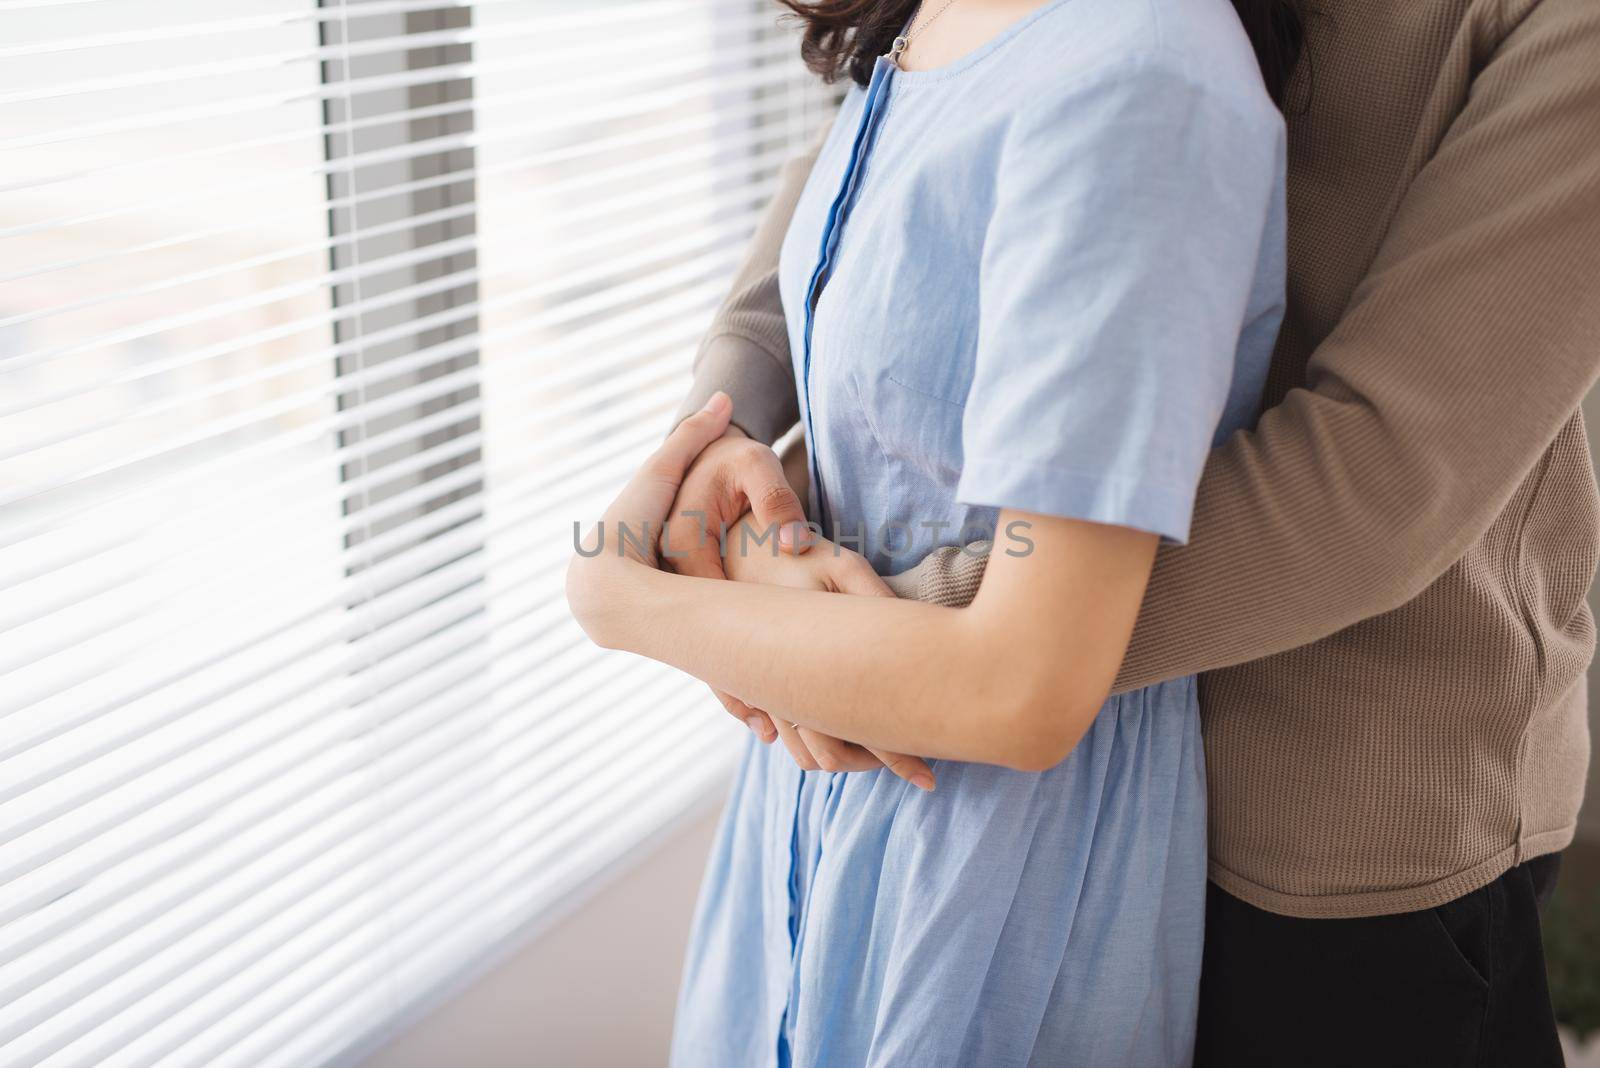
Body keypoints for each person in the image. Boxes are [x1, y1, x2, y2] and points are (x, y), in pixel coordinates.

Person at [662, 0, 1600, 1064]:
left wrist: (890, 621)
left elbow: (1383, 472)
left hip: (1315, 817)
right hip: (974, 772)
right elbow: (903, 138)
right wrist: (727, 440)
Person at [568, 0, 1289, 1063]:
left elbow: (1020, 686)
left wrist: (621, 598)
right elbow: (879, 425)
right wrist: (747, 513)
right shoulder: (933, 25)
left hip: (995, 868)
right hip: (803, 815)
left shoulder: (1140, 71)